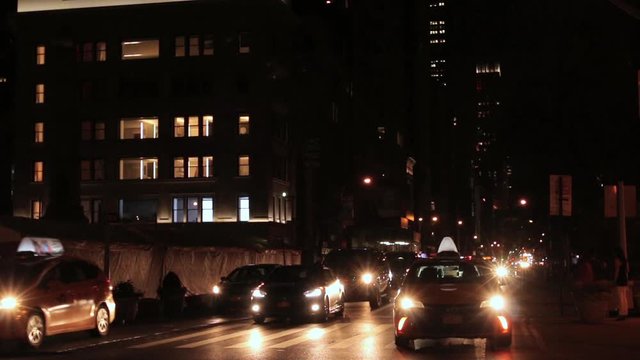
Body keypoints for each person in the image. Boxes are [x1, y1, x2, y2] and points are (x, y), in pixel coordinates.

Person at [613, 247, 630, 321]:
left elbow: (617, 270)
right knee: (624, 297)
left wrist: (615, 279)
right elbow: (628, 270)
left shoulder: (617, 259)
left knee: (620, 297)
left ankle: (621, 313)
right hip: (624, 279)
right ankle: (625, 312)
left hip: (620, 279)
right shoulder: (625, 260)